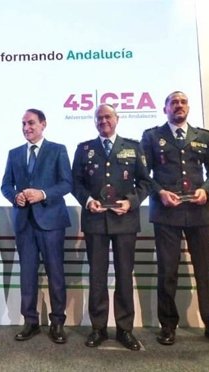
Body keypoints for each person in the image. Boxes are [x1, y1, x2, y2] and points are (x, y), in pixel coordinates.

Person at [140, 91, 209, 348]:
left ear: (188, 107)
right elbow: (142, 173)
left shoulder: (203, 136)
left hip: (198, 213)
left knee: (206, 272)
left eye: (183, 102)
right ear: (165, 109)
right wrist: (159, 192)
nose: (178, 106)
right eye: (173, 103)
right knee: (168, 272)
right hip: (166, 213)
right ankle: (168, 326)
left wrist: (207, 189)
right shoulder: (151, 136)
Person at [71, 104, 151, 350]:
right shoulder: (84, 149)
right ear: (94, 122)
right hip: (95, 221)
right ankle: (98, 328)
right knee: (97, 276)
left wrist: (131, 202)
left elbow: (145, 182)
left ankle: (125, 330)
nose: (103, 121)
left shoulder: (133, 147)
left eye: (108, 117)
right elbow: (76, 183)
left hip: (124, 221)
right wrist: (87, 200)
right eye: (99, 118)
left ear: (117, 119)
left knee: (124, 276)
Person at [0, 109, 72, 344]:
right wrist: (16, 197)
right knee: (27, 274)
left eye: (31, 123)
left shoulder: (58, 150)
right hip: (24, 223)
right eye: (23, 124)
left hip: (51, 221)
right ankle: (30, 321)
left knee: (55, 274)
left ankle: (57, 322)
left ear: (43, 124)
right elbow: (5, 185)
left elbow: (66, 184)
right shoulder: (14, 153)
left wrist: (42, 194)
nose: (26, 127)